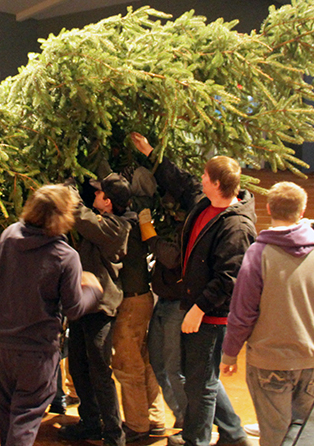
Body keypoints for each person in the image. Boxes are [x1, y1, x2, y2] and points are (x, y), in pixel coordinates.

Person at [0, 184, 103, 446]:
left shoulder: (10, 235)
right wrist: (93, 290)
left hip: (3, 349)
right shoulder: (66, 257)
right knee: (26, 421)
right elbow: (74, 308)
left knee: (9, 418)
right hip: (37, 354)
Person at [220, 182, 314, 446]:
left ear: (268, 208)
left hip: (271, 360)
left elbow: (243, 312)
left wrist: (230, 353)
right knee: (306, 434)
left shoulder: (259, 253)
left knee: (275, 434)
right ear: (303, 210)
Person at [169, 156, 256, 446]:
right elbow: (186, 184)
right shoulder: (207, 205)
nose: (201, 179)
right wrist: (150, 153)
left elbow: (228, 279)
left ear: (217, 183)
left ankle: (197, 441)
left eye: (206, 175)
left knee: (201, 385)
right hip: (199, 309)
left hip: (211, 315)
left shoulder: (237, 226)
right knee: (200, 379)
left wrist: (198, 310)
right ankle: (232, 434)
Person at [129, 132, 197, 431]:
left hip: (178, 302)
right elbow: (178, 180)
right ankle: (184, 418)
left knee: (171, 367)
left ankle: (188, 422)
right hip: (165, 298)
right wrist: (148, 152)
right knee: (158, 364)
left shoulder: (194, 224)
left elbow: (173, 259)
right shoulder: (180, 217)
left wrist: (150, 233)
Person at [57, 173, 131, 446]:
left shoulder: (117, 227)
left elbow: (83, 217)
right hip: (82, 305)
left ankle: (114, 435)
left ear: (108, 202)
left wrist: (69, 189)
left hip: (100, 308)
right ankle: (90, 422)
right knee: (78, 366)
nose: (95, 196)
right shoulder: (106, 220)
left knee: (100, 372)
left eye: (100, 194)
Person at [112, 201, 168, 442]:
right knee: (143, 359)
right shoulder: (135, 221)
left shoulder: (120, 225)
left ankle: (136, 424)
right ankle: (155, 418)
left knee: (128, 364)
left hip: (130, 302)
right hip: (142, 298)